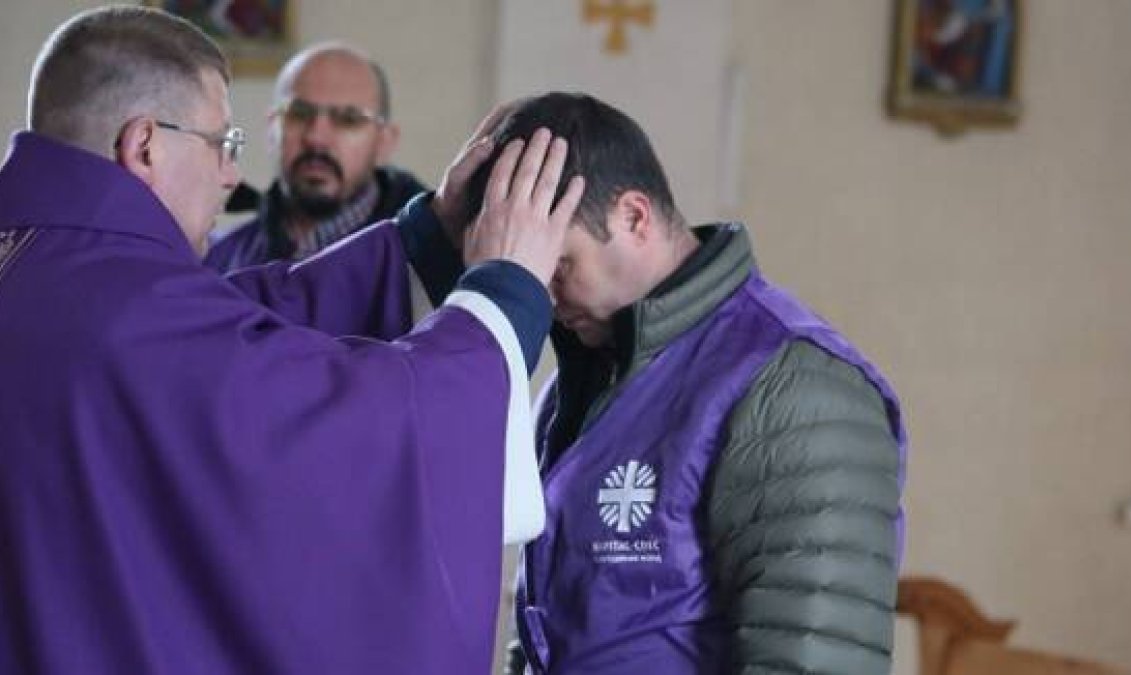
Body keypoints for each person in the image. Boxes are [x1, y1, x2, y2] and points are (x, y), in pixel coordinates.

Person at [0, 7, 585, 674]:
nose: (229, 174)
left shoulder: (51, 265)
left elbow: (233, 318)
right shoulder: (128, 314)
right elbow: (344, 415)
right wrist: (503, 297)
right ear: (145, 146)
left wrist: (416, 246)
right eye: (222, 142)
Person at [460, 94, 908, 674]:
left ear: (635, 217)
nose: (541, 298)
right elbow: (549, 629)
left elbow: (815, 659)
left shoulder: (796, 385)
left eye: (560, 265)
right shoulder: (579, 382)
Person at [204, 41, 426, 272]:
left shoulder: (429, 263)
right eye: (299, 114)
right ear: (272, 129)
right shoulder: (216, 263)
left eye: (348, 119)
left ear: (384, 142)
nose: (316, 138)